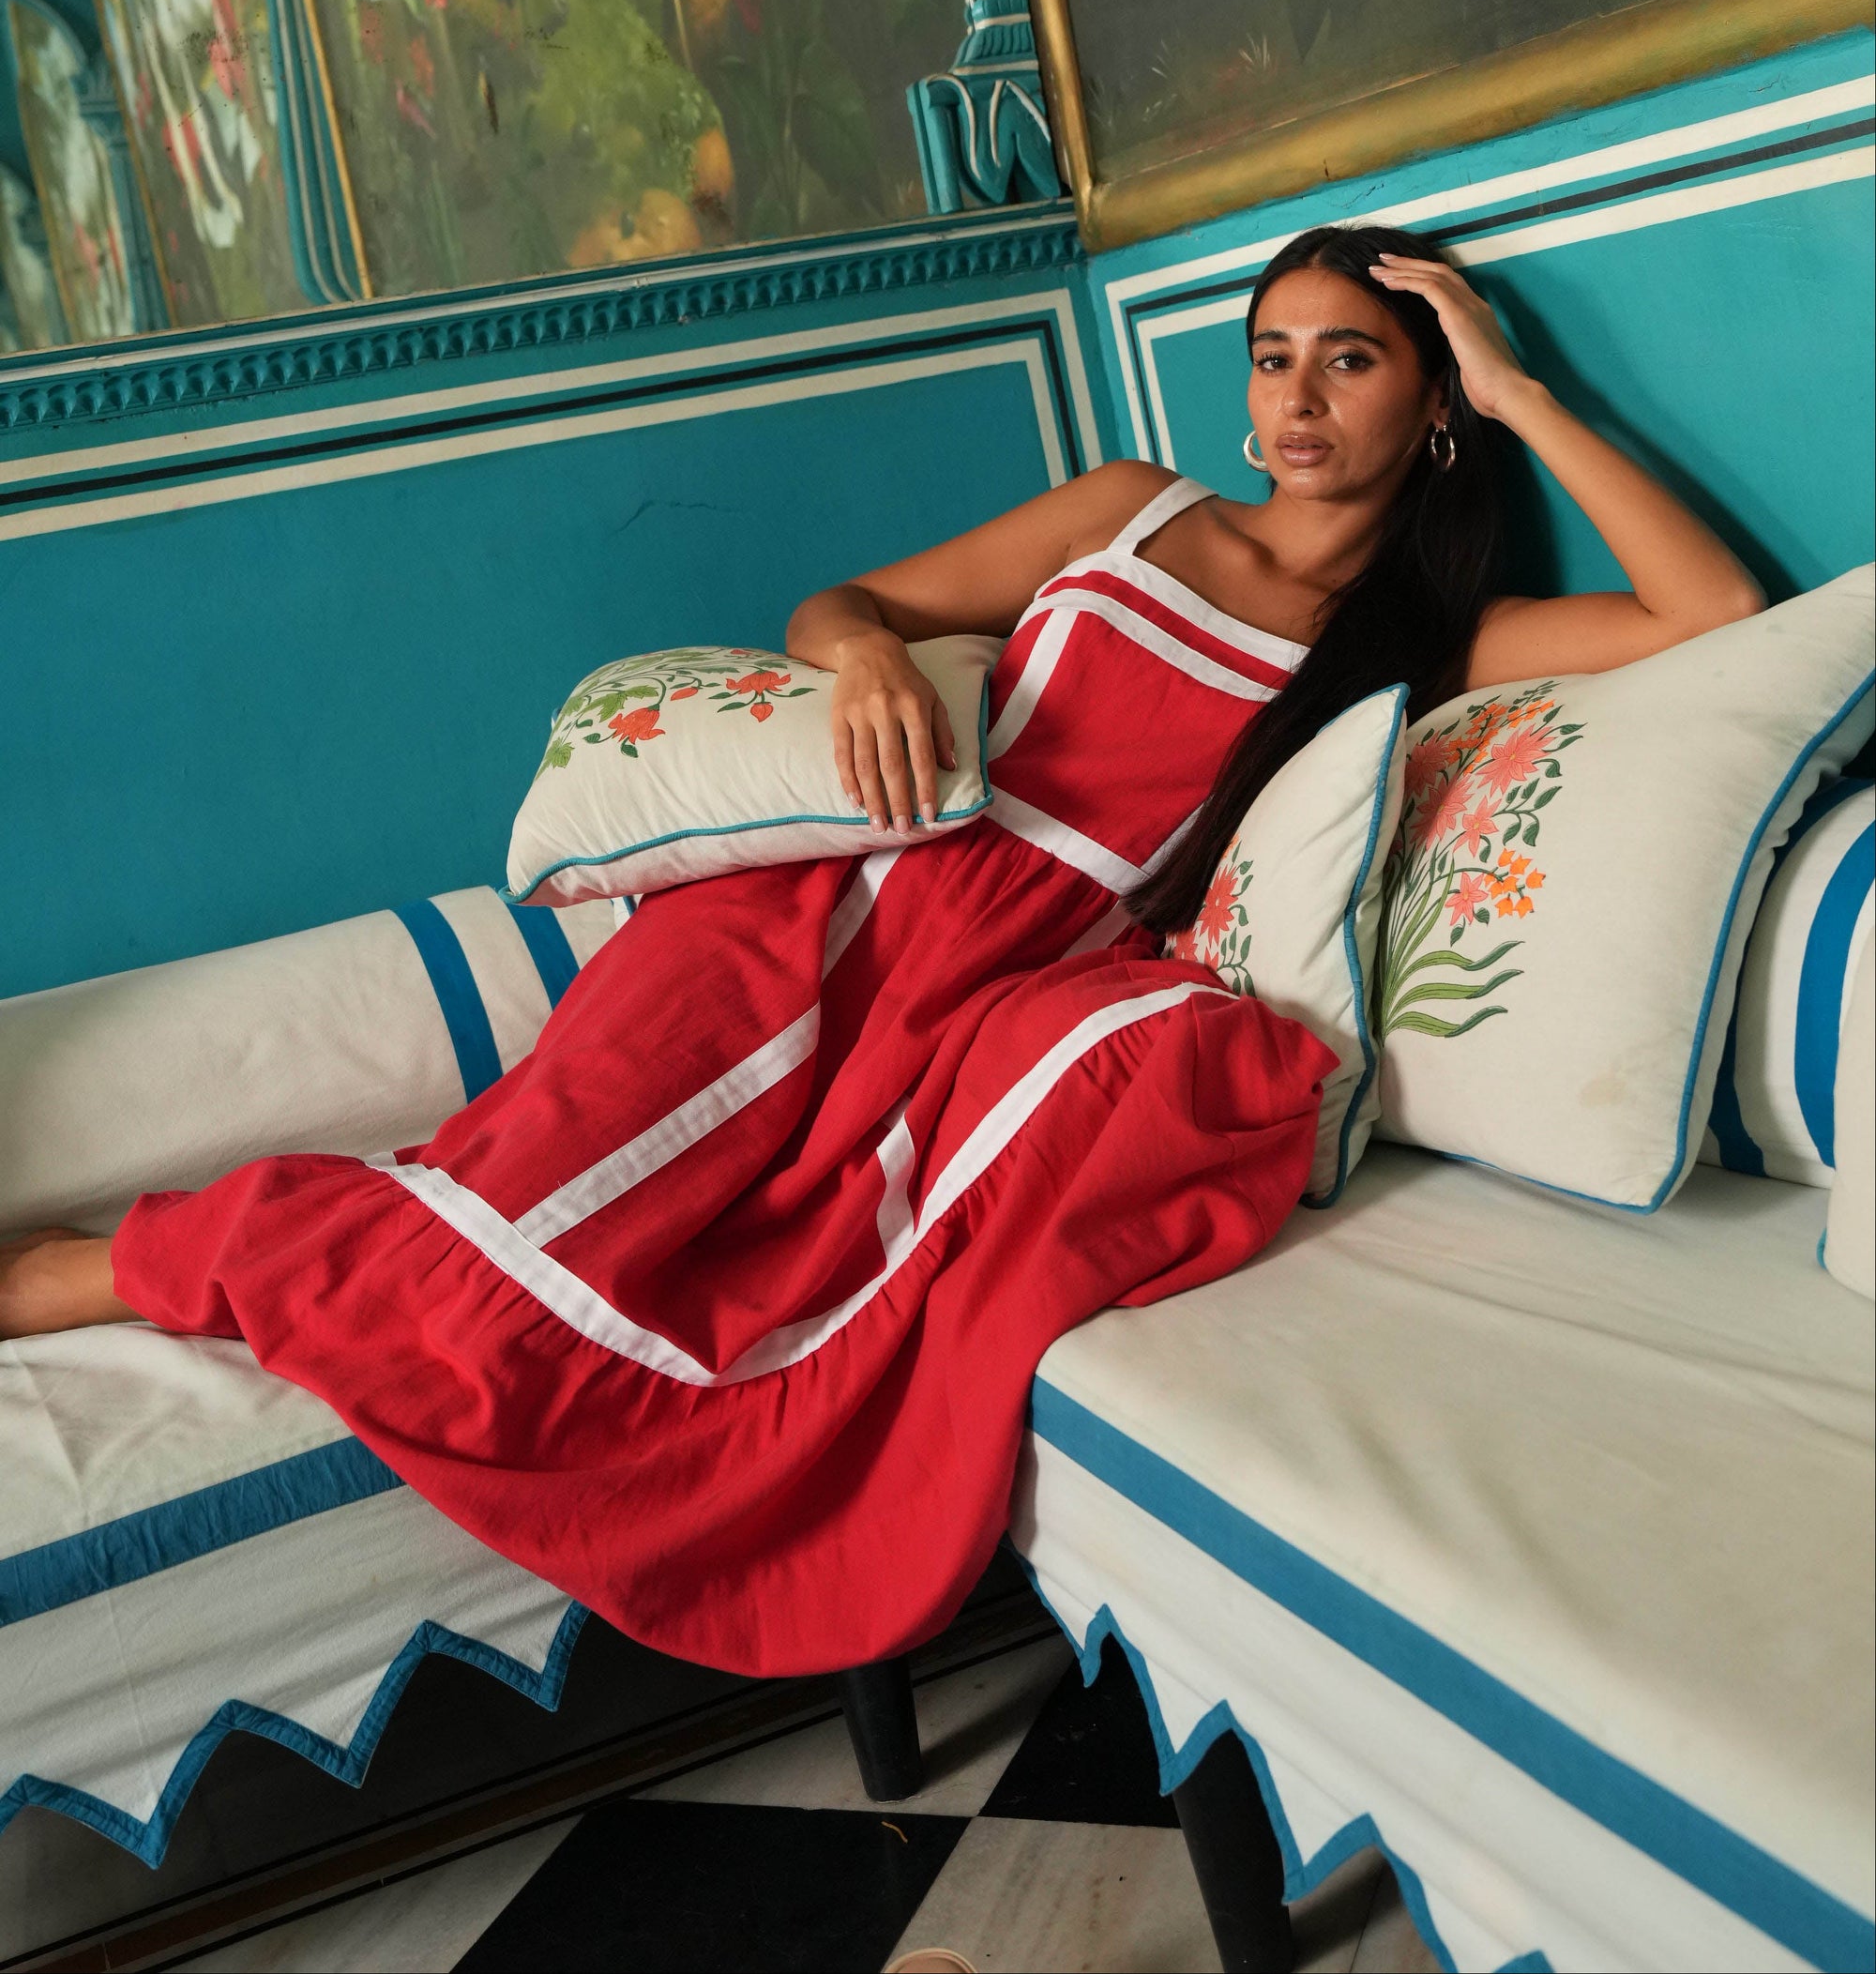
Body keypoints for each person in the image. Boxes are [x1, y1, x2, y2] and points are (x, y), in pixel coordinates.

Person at [0, 230, 1761, 1674]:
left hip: (994, 987)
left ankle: (122, 1265)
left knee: (663, 1303)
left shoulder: (1423, 644)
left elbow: (1715, 615)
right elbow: (855, 608)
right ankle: (112, 1266)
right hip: (815, 901)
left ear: (1432, 397)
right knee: (519, 1205)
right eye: (1271, 354)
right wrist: (861, 671)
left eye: (1351, 359)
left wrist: (1521, 387)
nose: (1292, 400)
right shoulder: (1133, 509)